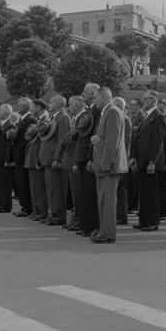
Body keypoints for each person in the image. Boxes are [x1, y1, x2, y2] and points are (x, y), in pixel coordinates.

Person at [89, 87, 129, 244]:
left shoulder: (112, 112)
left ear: (103, 97)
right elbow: (105, 137)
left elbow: (113, 141)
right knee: (104, 200)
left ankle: (108, 233)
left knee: (108, 202)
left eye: (96, 98)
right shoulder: (108, 112)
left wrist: (105, 163)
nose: (95, 101)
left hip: (108, 167)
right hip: (104, 166)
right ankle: (104, 229)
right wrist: (97, 139)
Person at [130, 90, 164, 232]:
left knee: (151, 193)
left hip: (150, 162)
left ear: (152, 100)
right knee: (144, 192)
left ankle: (151, 221)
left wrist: (152, 161)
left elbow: (158, 141)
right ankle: (144, 220)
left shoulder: (158, 116)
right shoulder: (146, 116)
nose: (144, 101)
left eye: (146, 99)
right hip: (141, 160)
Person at [38, 94, 71, 226]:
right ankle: (53, 213)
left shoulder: (63, 117)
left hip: (54, 159)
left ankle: (58, 215)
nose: (49, 104)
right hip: (48, 158)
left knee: (56, 188)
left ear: (58, 104)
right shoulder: (54, 116)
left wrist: (57, 158)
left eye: (51, 102)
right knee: (50, 188)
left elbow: (62, 140)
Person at [74, 83, 101, 238]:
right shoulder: (90, 110)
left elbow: (96, 136)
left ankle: (91, 225)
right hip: (82, 155)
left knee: (90, 193)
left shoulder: (97, 111)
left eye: (85, 92)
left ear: (93, 93)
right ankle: (85, 224)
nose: (82, 94)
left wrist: (91, 157)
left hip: (88, 156)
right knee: (84, 192)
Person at [9, 98, 36, 218]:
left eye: (20, 105)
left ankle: (27, 207)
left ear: (26, 106)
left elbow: (28, 138)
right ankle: (24, 206)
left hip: (24, 154)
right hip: (19, 154)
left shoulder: (30, 119)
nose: (18, 106)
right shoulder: (22, 119)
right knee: (21, 182)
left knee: (24, 182)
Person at [62, 95, 86, 230]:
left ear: (76, 106)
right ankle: (76, 218)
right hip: (72, 159)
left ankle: (78, 220)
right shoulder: (74, 119)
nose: (69, 108)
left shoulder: (81, 119)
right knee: (74, 192)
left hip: (76, 159)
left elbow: (72, 140)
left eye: (70, 105)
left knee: (78, 193)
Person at [25, 99, 49, 221]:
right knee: (34, 186)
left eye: (33, 107)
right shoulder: (39, 120)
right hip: (33, 155)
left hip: (39, 156)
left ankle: (41, 212)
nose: (31, 110)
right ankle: (36, 210)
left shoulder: (46, 120)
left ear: (39, 107)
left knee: (39, 187)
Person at [0, 104, 15, 213]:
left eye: (0, 111)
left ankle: (5, 205)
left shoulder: (10, 125)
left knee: (4, 184)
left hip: (3, 159)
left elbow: (9, 145)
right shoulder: (1, 125)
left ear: (6, 113)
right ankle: (0, 204)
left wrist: (7, 160)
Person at [112, 96, 131, 225]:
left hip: (122, 158)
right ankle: (118, 214)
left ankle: (121, 215)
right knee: (118, 188)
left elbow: (126, 140)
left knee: (120, 189)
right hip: (120, 157)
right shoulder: (120, 118)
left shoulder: (125, 119)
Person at [126, 98, 144, 212]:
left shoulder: (141, 117)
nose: (131, 107)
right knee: (130, 182)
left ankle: (134, 205)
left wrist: (133, 155)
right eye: (130, 104)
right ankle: (131, 204)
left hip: (135, 154)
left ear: (139, 106)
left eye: (133, 104)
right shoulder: (132, 117)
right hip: (130, 153)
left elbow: (136, 139)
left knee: (134, 181)